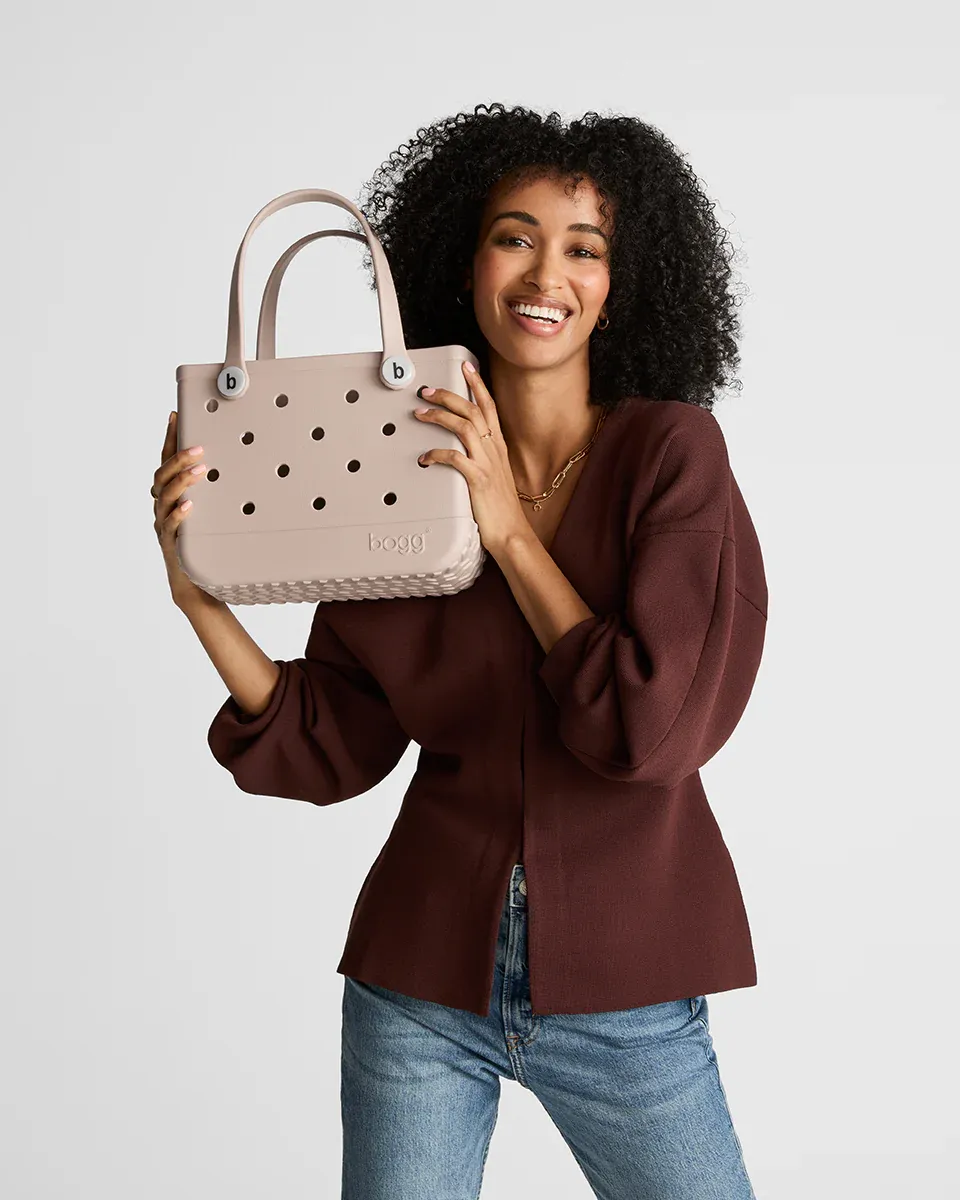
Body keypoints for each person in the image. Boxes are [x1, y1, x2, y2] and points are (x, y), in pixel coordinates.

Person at [152, 103, 766, 1199]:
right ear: (463, 260)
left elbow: (652, 731)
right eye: (514, 236)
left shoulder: (671, 456)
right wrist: (202, 602)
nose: (546, 274)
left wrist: (508, 534)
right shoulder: (390, 459)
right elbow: (335, 738)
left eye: (585, 248)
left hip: (630, 993)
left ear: (625, 282)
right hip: (418, 987)